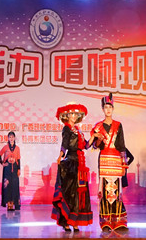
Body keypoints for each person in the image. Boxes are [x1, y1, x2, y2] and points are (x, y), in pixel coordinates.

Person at [51, 102, 93, 232]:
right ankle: (66, 221)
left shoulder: (78, 131)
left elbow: (86, 146)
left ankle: (75, 221)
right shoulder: (67, 128)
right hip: (71, 163)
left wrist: (94, 137)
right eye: (72, 114)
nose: (74, 116)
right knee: (70, 192)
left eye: (75, 114)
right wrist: (60, 155)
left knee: (79, 194)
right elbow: (64, 143)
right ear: (67, 116)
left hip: (80, 163)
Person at [89, 93, 128, 231]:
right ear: (103, 109)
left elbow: (122, 145)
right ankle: (105, 222)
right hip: (105, 160)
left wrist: (124, 163)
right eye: (106, 107)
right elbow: (95, 146)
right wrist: (98, 139)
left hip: (116, 160)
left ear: (113, 108)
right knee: (105, 192)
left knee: (116, 191)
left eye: (110, 107)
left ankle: (118, 221)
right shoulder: (98, 126)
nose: (108, 110)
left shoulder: (118, 125)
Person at [0, 131, 21, 211]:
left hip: (14, 169)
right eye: (10, 137)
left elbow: (18, 159)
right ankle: (9, 205)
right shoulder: (5, 147)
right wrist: (2, 163)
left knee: (14, 186)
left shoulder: (17, 148)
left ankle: (14, 204)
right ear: (8, 138)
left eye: (12, 137)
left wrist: (19, 169)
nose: (11, 138)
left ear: (14, 138)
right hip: (7, 170)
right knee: (7, 186)